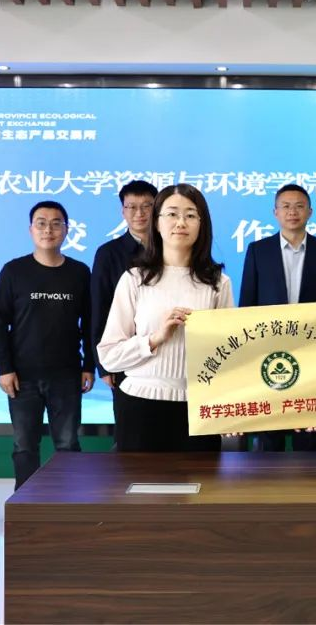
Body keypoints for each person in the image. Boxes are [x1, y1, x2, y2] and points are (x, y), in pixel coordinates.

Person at [97, 184, 233, 452]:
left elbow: (230, 355)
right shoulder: (134, 279)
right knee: (139, 480)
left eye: (190, 215)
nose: (181, 222)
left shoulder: (218, 282)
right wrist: (155, 338)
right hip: (139, 407)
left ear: (202, 224)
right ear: (156, 222)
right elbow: (109, 356)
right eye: (172, 214)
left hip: (199, 408)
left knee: (200, 480)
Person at [0, 201, 94, 490]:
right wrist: (4, 368)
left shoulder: (79, 272)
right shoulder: (14, 271)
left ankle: (68, 505)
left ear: (66, 229)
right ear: (31, 229)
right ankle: (27, 506)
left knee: (68, 444)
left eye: (56, 223)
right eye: (41, 223)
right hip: (22, 376)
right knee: (25, 445)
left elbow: (89, 323)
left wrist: (89, 365)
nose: (48, 229)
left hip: (67, 374)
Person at [240, 183, 316, 451]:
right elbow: (247, 303)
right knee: (270, 430)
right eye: (285, 206)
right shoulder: (258, 250)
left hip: (310, 351)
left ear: (310, 212)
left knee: (307, 430)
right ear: (275, 212)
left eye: (299, 206)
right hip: (268, 351)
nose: (292, 212)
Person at [91, 180, 157, 447]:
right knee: (131, 435)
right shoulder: (108, 253)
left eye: (146, 206)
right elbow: (99, 309)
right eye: (131, 207)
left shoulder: (172, 249)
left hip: (168, 352)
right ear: (123, 211)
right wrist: (104, 365)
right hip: (126, 356)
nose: (139, 213)